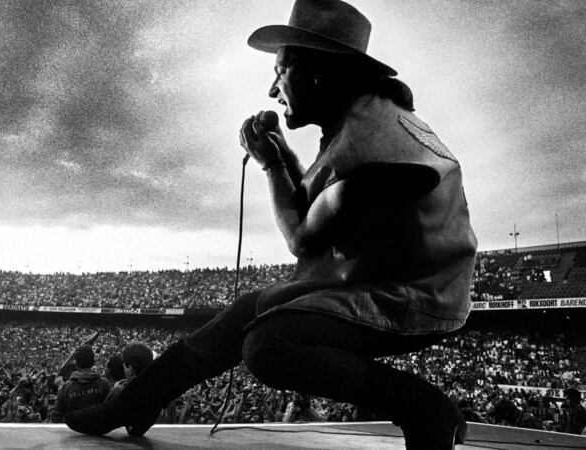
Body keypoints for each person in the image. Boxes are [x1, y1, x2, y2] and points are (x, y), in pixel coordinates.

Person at [65, 1, 476, 448]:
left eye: (280, 72)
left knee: (268, 346)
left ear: (317, 74)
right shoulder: (367, 118)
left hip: (411, 296)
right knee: (249, 308)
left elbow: (302, 237)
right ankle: (141, 399)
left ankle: (421, 405)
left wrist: (270, 165)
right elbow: (319, 202)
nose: (273, 90)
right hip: (401, 280)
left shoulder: (365, 148)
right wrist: (282, 156)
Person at [48, 346, 111, 422]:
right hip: (99, 428)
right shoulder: (104, 384)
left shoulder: (65, 388)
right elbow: (110, 410)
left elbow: (56, 417)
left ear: (76, 364)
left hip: (73, 428)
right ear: (93, 362)